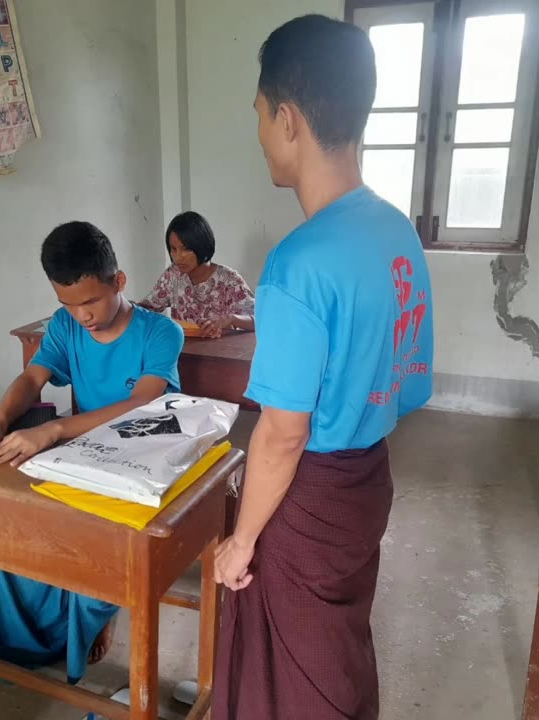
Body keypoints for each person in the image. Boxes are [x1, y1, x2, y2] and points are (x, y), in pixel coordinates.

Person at [211, 15, 434, 720]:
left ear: (287, 118)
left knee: (292, 670)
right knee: (337, 642)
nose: (258, 135)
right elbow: (409, 378)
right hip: (366, 480)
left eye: (258, 115)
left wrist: (241, 541)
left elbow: (281, 434)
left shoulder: (297, 267)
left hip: (310, 498)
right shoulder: (395, 230)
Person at [0, 220, 184, 683]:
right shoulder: (63, 326)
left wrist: (55, 429)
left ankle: (98, 614)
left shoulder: (161, 332)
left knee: (105, 550)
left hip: (140, 459)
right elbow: (30, 379)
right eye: (68, 304)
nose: (82, 316)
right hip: (81, 454)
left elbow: (141, 404)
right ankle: (27, 637)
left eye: (91, 301)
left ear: (118, 283)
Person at [139, 210, 256, 337]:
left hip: (220, 353)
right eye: (173, 249)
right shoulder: (173, 275)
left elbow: (260, 321)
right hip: (183, 351)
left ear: (201, 246)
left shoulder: (229, 280)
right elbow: (147, 308)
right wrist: (125, 306)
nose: (178, 257)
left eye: (186, 249)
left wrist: (232, 319)